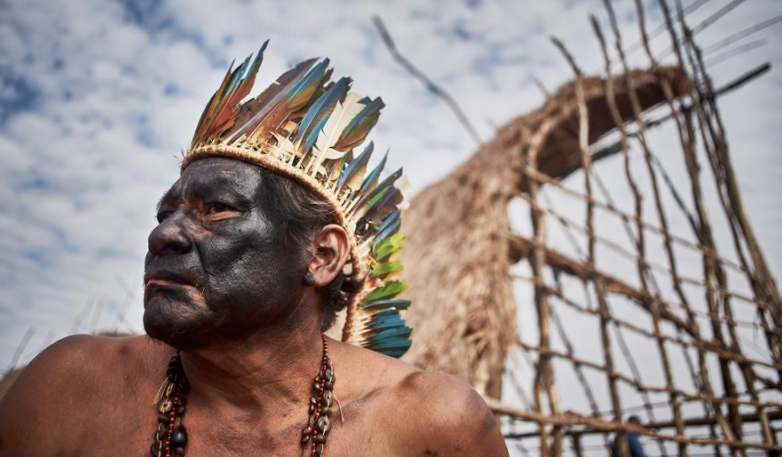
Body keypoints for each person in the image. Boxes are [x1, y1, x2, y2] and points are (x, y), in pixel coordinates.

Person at [0, 45, 509, 456]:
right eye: (164, 214)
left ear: (322, 256)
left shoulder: (429, 426)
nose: (163, 237)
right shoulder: (69, 390)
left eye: (216, 209)